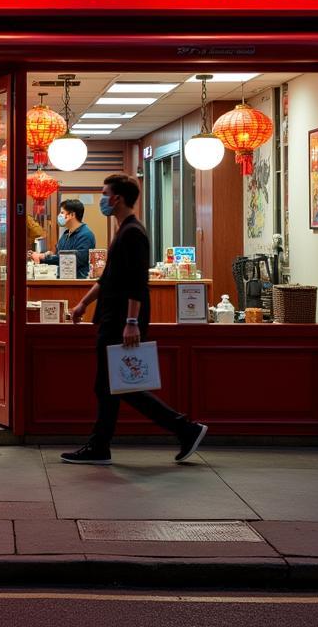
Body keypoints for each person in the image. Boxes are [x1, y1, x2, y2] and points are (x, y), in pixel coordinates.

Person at [62, 172, 208, 466]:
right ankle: (101, 445)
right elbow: (108, 278)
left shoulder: (133, 233)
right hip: (112, 316)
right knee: (111, 385)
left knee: (117, 385)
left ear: (116, 198)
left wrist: (131, 322)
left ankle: (184, 428)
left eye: (104, 193)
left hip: (121, 321)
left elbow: (137, 282)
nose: (102, 199)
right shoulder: (122, 230)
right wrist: (82, 305)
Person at [31, 199, 96, 279]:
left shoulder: (86, 235)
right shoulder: (66, 234)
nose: (59, 216)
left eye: (62, 213)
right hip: (63, 278)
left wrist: (43, 257)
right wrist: (48, 255)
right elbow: (59, 255)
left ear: (72, 215)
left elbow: (71, 260)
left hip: (78, 281)